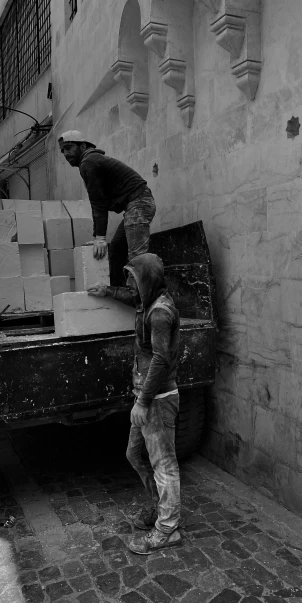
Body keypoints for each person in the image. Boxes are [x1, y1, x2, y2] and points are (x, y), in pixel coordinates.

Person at [89, 253, 182, 554]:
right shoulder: (149, 302)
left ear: (147, 280)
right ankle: (159, 506)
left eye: (133, 278)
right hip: (145, 396)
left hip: (157, 399)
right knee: (134, 454)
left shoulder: (160, 313)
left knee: (164, 464)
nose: (130, 283)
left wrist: (142, 402)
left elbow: (160, 359)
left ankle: (168, 529)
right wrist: (109, 292)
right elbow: (132, 299)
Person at [58, 131, 156, 286]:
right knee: (117, 248)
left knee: (137, 258)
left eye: (69, 147)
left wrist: (100, 238)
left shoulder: (88, 162)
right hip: (136, 204)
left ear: (82, 146)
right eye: (63, 150)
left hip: (139, 203)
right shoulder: (90, 161)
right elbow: (99, 201)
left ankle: (145, 301)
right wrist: (99, 236)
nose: (65, 153)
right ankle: (120, 293)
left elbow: (98, 203)